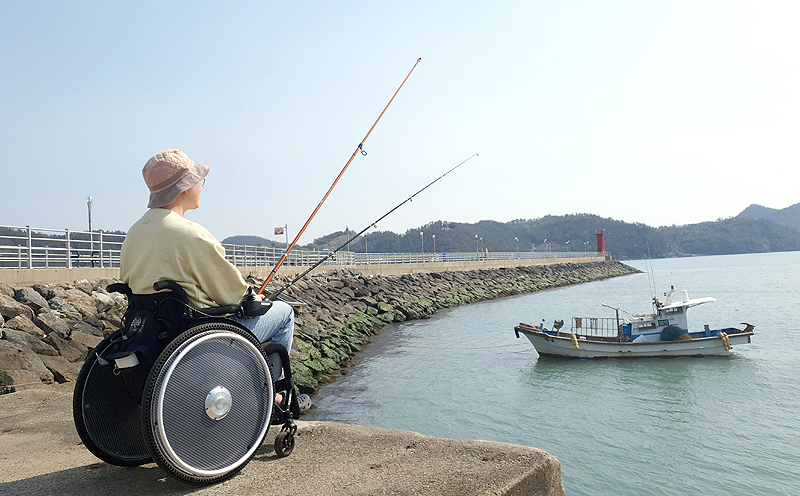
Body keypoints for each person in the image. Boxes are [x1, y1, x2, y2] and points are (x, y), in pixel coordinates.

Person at [120, 148, 308, 409]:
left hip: (155, 333)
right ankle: (272, 397)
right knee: (284, 312)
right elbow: (233, 295)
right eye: (199, 180)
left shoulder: (134, 232)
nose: (200, 185)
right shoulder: (191, 235)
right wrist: (255, 299)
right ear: (184, 187)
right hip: (201, 335)